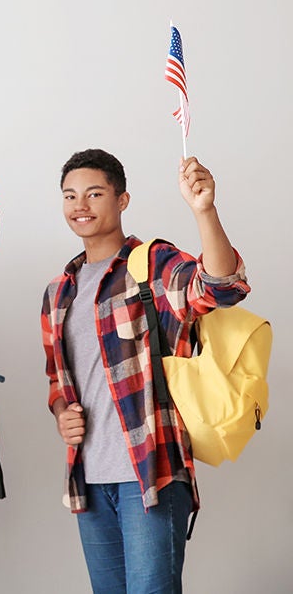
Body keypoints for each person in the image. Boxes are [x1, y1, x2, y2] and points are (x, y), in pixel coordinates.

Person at [41, 149, 250, 593]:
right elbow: (57, 382)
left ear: (122, 200)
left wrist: (204, 210)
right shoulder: (59, 292)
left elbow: (222, 286)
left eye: (94, 193)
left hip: (150, 472)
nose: (80, 205)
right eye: (70, 195)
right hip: (89, 481)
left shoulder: (149, 266)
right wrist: (62, 412)